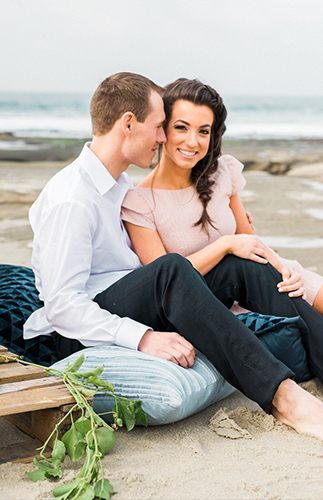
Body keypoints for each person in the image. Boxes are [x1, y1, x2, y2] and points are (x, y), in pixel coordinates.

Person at [23, 72, 323, 440]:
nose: (164, 138)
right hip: (77, 332)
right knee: (171, 270)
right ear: (128, 124)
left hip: (132, 298)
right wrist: (143, 338)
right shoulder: (72, 199)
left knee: (244, 265)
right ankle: (285, 398)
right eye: (161, 126)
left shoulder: (116, 183)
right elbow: (63, 307)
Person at [121, 78, 323, 317]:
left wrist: (284, 272)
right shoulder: (139, 203)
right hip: (220, 305)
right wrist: (224, 245)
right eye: (181, 127)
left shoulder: (220, 173)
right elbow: (164, 282)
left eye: (203, 131)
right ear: (163, 129)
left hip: (269, 276)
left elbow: (249, 238)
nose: (192, 141)